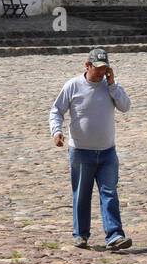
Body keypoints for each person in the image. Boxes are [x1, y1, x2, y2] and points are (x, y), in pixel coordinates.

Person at [50, 47, 132, 251]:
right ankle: (81, 234)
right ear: (87, 65)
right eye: (97, 68)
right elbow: (56, 110)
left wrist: (113, 85)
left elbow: (125, 106)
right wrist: (56, 132)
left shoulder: (110, 86)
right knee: (81, 194)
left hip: (107, 151)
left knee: (110, 192)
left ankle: (114, 235)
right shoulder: (72, 86)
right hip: (80, 151)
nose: (101, 72)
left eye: (105, 69)